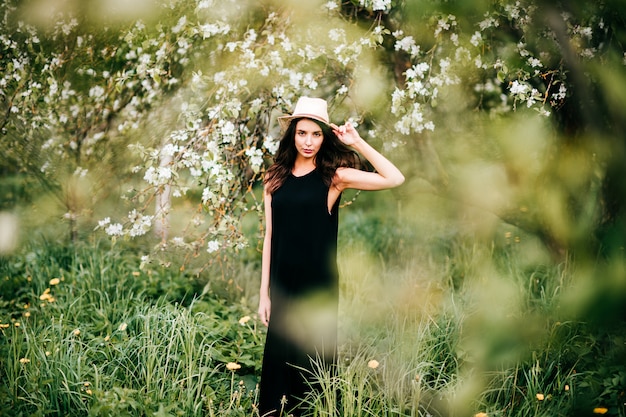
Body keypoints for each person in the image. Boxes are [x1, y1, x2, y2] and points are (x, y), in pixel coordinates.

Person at [257, 97, 404, 417]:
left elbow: (394, 178)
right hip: (282, 284)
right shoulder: (273, 178)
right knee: (279, 361)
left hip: (317, 284)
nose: (308, 142)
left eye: (316, 134)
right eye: (302, 133)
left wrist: (357, 141)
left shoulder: (334, 177)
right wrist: (263, 294)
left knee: (313, 360)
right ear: (292, 135)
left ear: (326, 137)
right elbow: (270, 237)